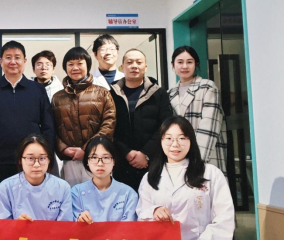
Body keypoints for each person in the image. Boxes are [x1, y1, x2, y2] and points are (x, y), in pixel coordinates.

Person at [0, 41, 56, 201]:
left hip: (32, 162)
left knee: (33, 205)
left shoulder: (37, 90)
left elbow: (48, 127)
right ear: (1, 61)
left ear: (24, 61)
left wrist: (45, 158)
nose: (13, 61)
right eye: (8, 57)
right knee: (1, 207)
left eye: (17, 57)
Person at [52, 47, 117, 187]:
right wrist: (63, 149)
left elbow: (109, 123)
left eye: (80, 63)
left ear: (87, 65)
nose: (75, 68)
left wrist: (87, 150)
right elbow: (53, 127)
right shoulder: (57, 97)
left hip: (97, 157)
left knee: (98, 193)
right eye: (70, 64)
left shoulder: (102, 93)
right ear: (65, 68)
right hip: (70, 160)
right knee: (72, 195)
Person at [111, 49, 173, 191]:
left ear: (145, 67)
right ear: (122, 67)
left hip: (152, 162)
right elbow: (109, 127)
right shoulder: (112, 94)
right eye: (129, 62)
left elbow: (165, 126)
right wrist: (126, 152)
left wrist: (146, 154)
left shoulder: (159, 93)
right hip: (121, 163)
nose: (134, 66)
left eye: (139, 62)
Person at [168, 46, 228, 175]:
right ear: (173, 65)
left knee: (207, 183)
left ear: (196, 64)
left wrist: (197, 160)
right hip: (179, 156)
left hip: (206, 152)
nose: (185, 66)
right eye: (180, 62)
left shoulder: (207, 87)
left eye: (189, 62)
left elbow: (209, 126)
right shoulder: (170, 93)